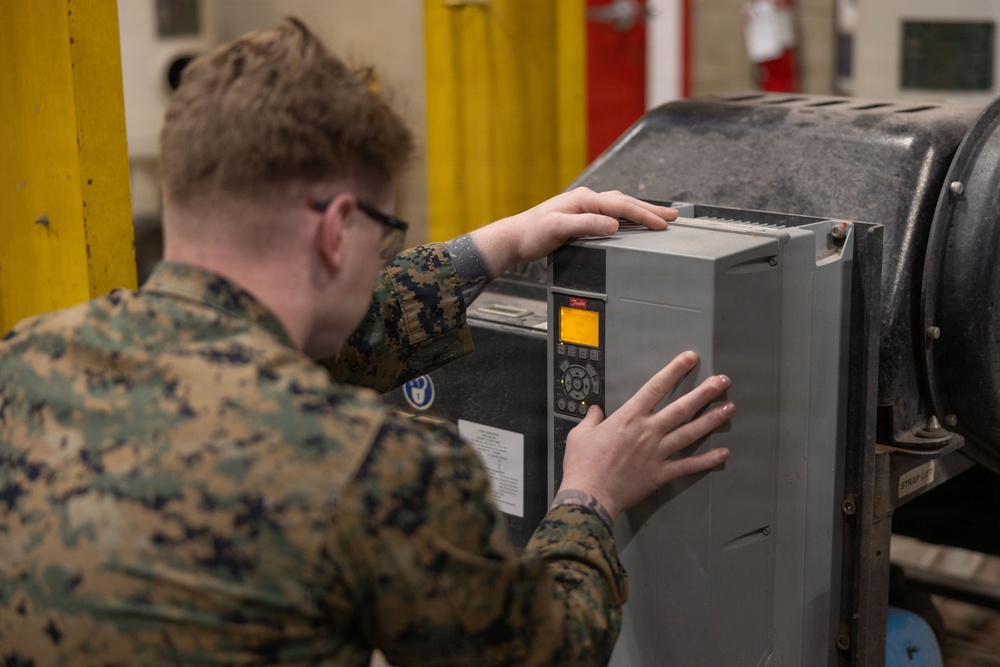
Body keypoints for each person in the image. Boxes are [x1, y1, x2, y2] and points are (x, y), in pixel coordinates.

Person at [0, 18, 735, 666]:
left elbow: (290, 342)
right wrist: (590, 497)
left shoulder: (23, 363)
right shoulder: (373, 471)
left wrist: (491, 247)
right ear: (335, 228)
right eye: (386, 231)